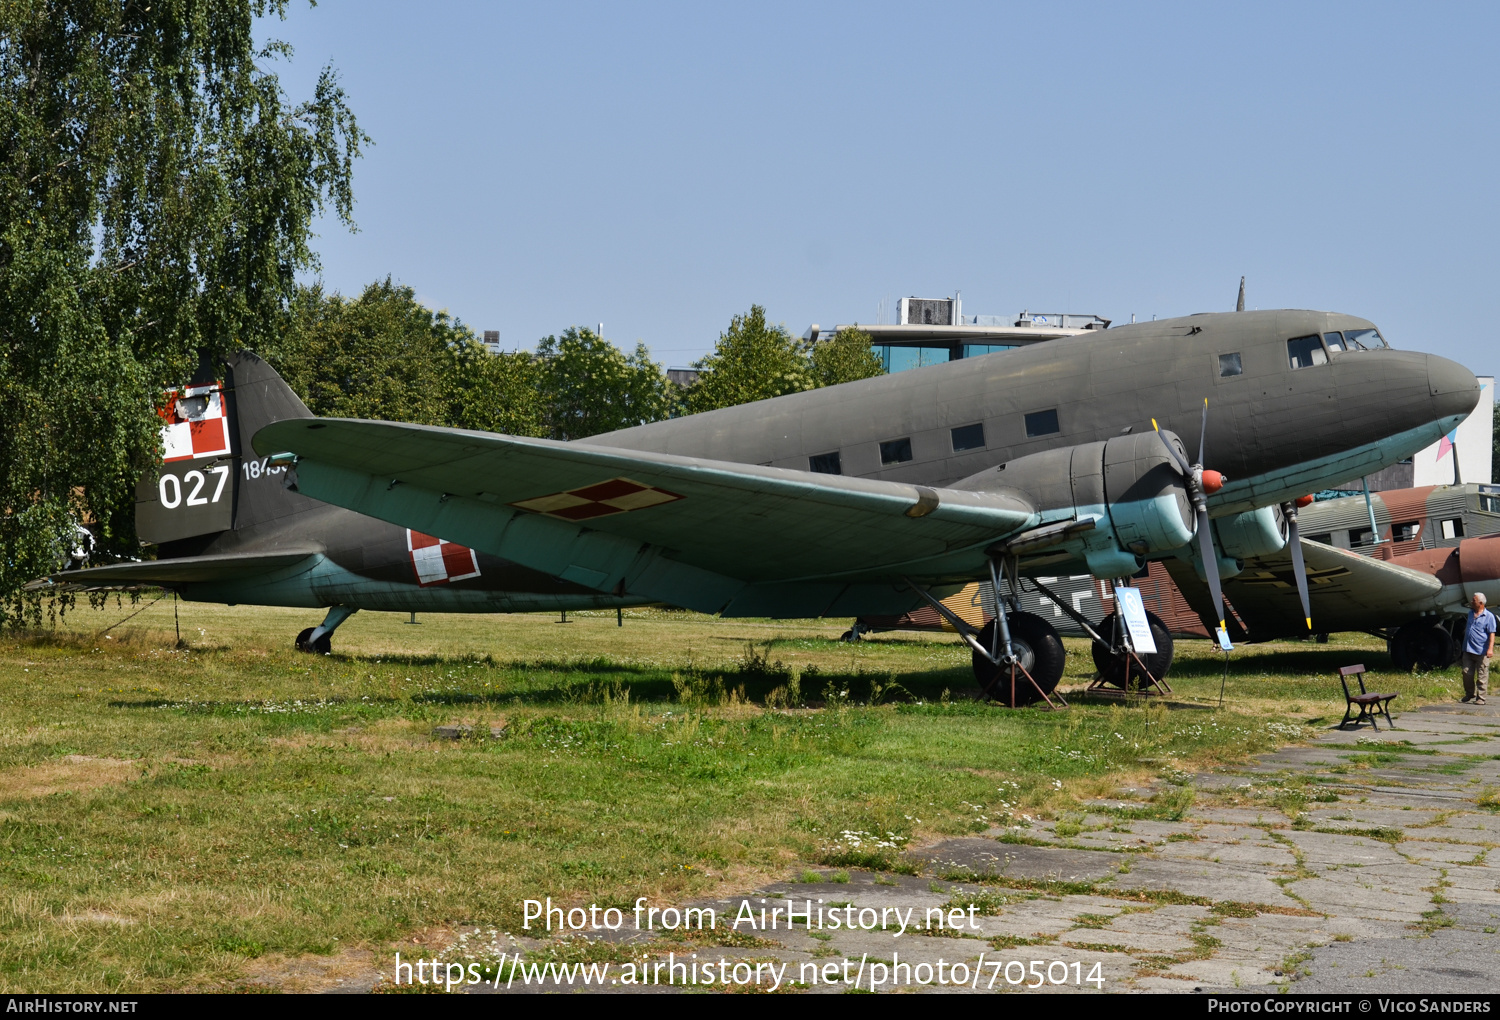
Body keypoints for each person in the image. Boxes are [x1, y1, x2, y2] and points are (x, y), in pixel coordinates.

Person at [1460, 593, 1497, 705]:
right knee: (1466, 673)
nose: (1471, 602)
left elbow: (1492, 634)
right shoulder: (1470, 613)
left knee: (1482, 675)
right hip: (1467, 649)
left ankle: (1481, 698)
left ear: (1480, 603)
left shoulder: (1489, 616)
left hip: (1482, 651)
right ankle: (1469, 693)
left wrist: (1490, 649)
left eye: (1473, 600)